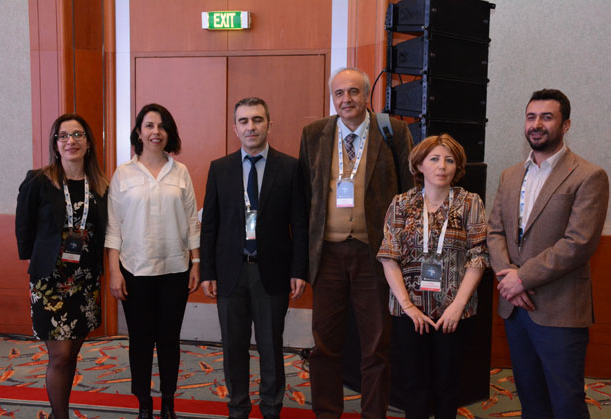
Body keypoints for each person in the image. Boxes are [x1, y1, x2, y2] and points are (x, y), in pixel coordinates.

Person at [299, 67, 414, 418]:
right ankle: (326, 413)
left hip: (375, 256)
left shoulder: (392, 131)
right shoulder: (314, 134)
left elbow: (410, 194)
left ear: (366, 95)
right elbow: (305, 196)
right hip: (328, 255)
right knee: (324, 345)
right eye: (339, 93)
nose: (346, 99)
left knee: (376, 346)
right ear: (332, 98)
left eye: (353, 92)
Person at [487, 89, 609, 418]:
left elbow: (579, 242)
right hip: (515, 308)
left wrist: (521, 278)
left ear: (566, 124)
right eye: (531, 117)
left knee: (566, 402)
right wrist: (508, 279)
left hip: (560, 309)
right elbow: (495, 232)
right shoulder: (510, 175)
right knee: (530, 398)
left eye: (547, 117)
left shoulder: (589, 176)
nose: (536, 124)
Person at [200, 97, 308, 419]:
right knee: (233, 348)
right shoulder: (220, 168)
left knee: (271, 347)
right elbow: (210, 225)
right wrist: (207, 271)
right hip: (230, 273)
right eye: (244, 121)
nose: (251, 127)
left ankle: (271, 409)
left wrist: (299, 270)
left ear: (269, 125)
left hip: (272, 273)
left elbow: (300, 224)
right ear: (235, 128)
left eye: (257, 120)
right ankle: (238, 409)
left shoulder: (290, 167)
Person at [377, 134, 489, 418]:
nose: (442, 166)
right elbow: (389, 257)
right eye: (434, 159)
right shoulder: (402, 203)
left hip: (453, 312)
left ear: (457, 167)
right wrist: (408, 307)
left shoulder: (470, 203)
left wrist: (457, 306)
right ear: (419, 165)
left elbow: (478, 257)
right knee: (413, 385)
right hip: (409, 312)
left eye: (449, 160)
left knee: (448, 385)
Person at [105, 103, 201, 419]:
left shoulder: (181, 172)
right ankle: (144, 403)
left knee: (169, 340)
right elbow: (114, 226)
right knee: (141, 340)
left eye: (161, 126)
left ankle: (168, 402)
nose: (155, 132)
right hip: (134, 270)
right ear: (138, 132)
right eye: (149, 125)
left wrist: (196, 262)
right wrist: (114, 271)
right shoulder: (123, 173)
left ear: (168, 133)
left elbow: (192, 221)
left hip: (175, 269)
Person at [15, 114, 109, 419]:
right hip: (50, 282)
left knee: (72, 354)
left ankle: (61, 410)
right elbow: (24, 224)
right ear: (55, 144)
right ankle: (60, 415)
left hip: (85, 280)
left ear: (89, 143)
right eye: (63, 136)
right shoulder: (39, 180)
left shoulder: (101, 185)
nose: (71, 141)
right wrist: (33, 260)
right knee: (60, 355)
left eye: (78, 134)